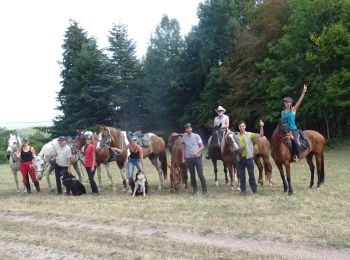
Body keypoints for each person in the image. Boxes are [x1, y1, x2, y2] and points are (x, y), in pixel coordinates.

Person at [235, 120, 264, 195]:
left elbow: (261, 135)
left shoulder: (250, 134)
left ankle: (254, 190)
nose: (242, 128)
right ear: (238, 127)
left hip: (249, 158)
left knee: (251, 175)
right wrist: (237, 150)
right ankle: (243, 191)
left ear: (245, 127)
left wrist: (261, 126)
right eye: (240, 126)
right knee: (242, 176)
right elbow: (233, 147)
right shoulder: (236, 136)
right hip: (240, 159)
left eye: (243, 126)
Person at [281, 84, 308, 162]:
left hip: (293, 130)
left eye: (287, 102)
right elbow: (282, 123)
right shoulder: (282, 112)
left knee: (295, 140)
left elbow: (299, 102)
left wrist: (303, 92)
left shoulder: (293, 110)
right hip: (285, 131)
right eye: (285, 102)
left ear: (290, 103)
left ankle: (297, 156)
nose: (286, 103)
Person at [182, 123, 208, 195]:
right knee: (192, 175)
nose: (188, 129)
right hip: (189, 159)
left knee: (200, 174)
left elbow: (202, 146)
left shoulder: (196, 136)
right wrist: (183, 158)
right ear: (185, 129)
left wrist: (197, 151)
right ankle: (194, 189)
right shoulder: (184, 137)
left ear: (191, 128)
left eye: (189, 128)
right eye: (187, 128)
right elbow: (183, 148)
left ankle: (205, 189)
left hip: (197, 158)